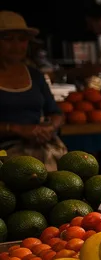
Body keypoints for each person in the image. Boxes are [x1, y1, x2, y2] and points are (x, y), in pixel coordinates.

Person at [0, 11, 65, 161]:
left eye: (22, 39)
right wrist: (17, 129)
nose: (16, 46)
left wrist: (49, 128)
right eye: (8, 39)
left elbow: (56, 113)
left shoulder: (35, 75)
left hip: (37, 149)